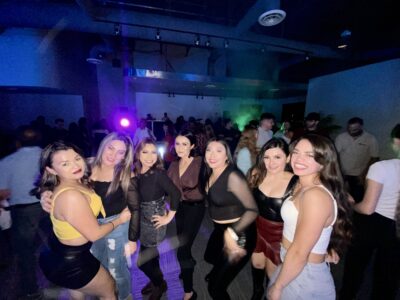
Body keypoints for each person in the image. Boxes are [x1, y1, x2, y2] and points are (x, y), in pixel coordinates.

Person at [40, 133, 140, 300]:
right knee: (96, 263)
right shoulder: (86, 165)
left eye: (121, 152)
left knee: (117, 268)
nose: (113, 155)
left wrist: (132, 239)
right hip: (89, 225)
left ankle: (123, 296)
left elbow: (136, 208)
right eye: (111, 147)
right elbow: (61, 180)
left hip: (117, 225)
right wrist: (46, 194)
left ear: (124, 157)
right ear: (104, 145)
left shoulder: (125, 174)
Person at [267, 134, 352, 300]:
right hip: (293, 265)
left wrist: (278, 286)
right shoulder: (302, 183)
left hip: (303, 275)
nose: (299, 159)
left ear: (324, 162)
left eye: (309, 155)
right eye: (297, 152)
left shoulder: (315, 195)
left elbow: (299, 252)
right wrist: (327, 246)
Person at [340, 124, 400, 300]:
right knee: (388, 274)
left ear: (395, 141)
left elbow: (367, 208)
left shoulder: (382, 167)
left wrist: (351, 204)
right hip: (396, 228)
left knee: (355, 267)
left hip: (374, 223)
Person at [202, 138, 258, 299]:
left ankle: (217, 278)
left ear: (227, 155)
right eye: (209, 150)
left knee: (215, 288)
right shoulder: (209, 171)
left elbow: (253, 210)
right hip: (220, 229)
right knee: (209, 256)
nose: (212, 155)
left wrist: (231, 233)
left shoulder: (232, 176)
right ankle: (218, 272)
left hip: (240, 233)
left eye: (218, 151)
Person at [248, 138, 298, 300]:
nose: (271, 162)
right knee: (256, 264)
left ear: (288, 158)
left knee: (273, 274)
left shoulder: (296, 182)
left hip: (279, 235)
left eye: (277, 157)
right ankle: (256, 292)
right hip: (257, 228)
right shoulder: (257, 173)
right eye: (267, 157)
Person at [0, 126, 45, 299]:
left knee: (25, 251)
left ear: (17, 142)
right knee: (59, 242)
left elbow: (3, 192)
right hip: (51, 204)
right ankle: (63, 277)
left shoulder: (7, 161)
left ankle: (31, 289)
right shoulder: (47, 156)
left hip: (24, 210)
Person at [134, 138, 181, 300]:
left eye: (154, 152)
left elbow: (176, 194)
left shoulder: (158, 174)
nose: (149, 156)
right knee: (151, 255)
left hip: (154, 221)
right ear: (137, 153)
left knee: (142, 261)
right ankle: (155, 281)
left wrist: (169, 217)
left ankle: (159, 283)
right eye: (145, 152)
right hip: (141, 219)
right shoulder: (135, 172)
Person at [167, 130, 205, 300]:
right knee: (185, 245)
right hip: (178, 209)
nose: (180, 148)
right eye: (177, 144)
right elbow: (167, 187)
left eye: (184, 144)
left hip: (195, 208)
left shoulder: (200, 163)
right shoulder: (173, 164)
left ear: (193, 146)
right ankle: (188, 265)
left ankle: (189, 291)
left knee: (181, 249)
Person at [335, 117, 379, 202]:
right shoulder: (341, 137)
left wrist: (364, 173)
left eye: (354, 129)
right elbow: (335, 155)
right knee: (340, 197)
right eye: (349, 129)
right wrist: (338, 171)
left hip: (359, 174)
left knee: (357, 198)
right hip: (342, 173)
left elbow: (375, 158)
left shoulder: (370, 139)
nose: (351, 131)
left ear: (361, 127)